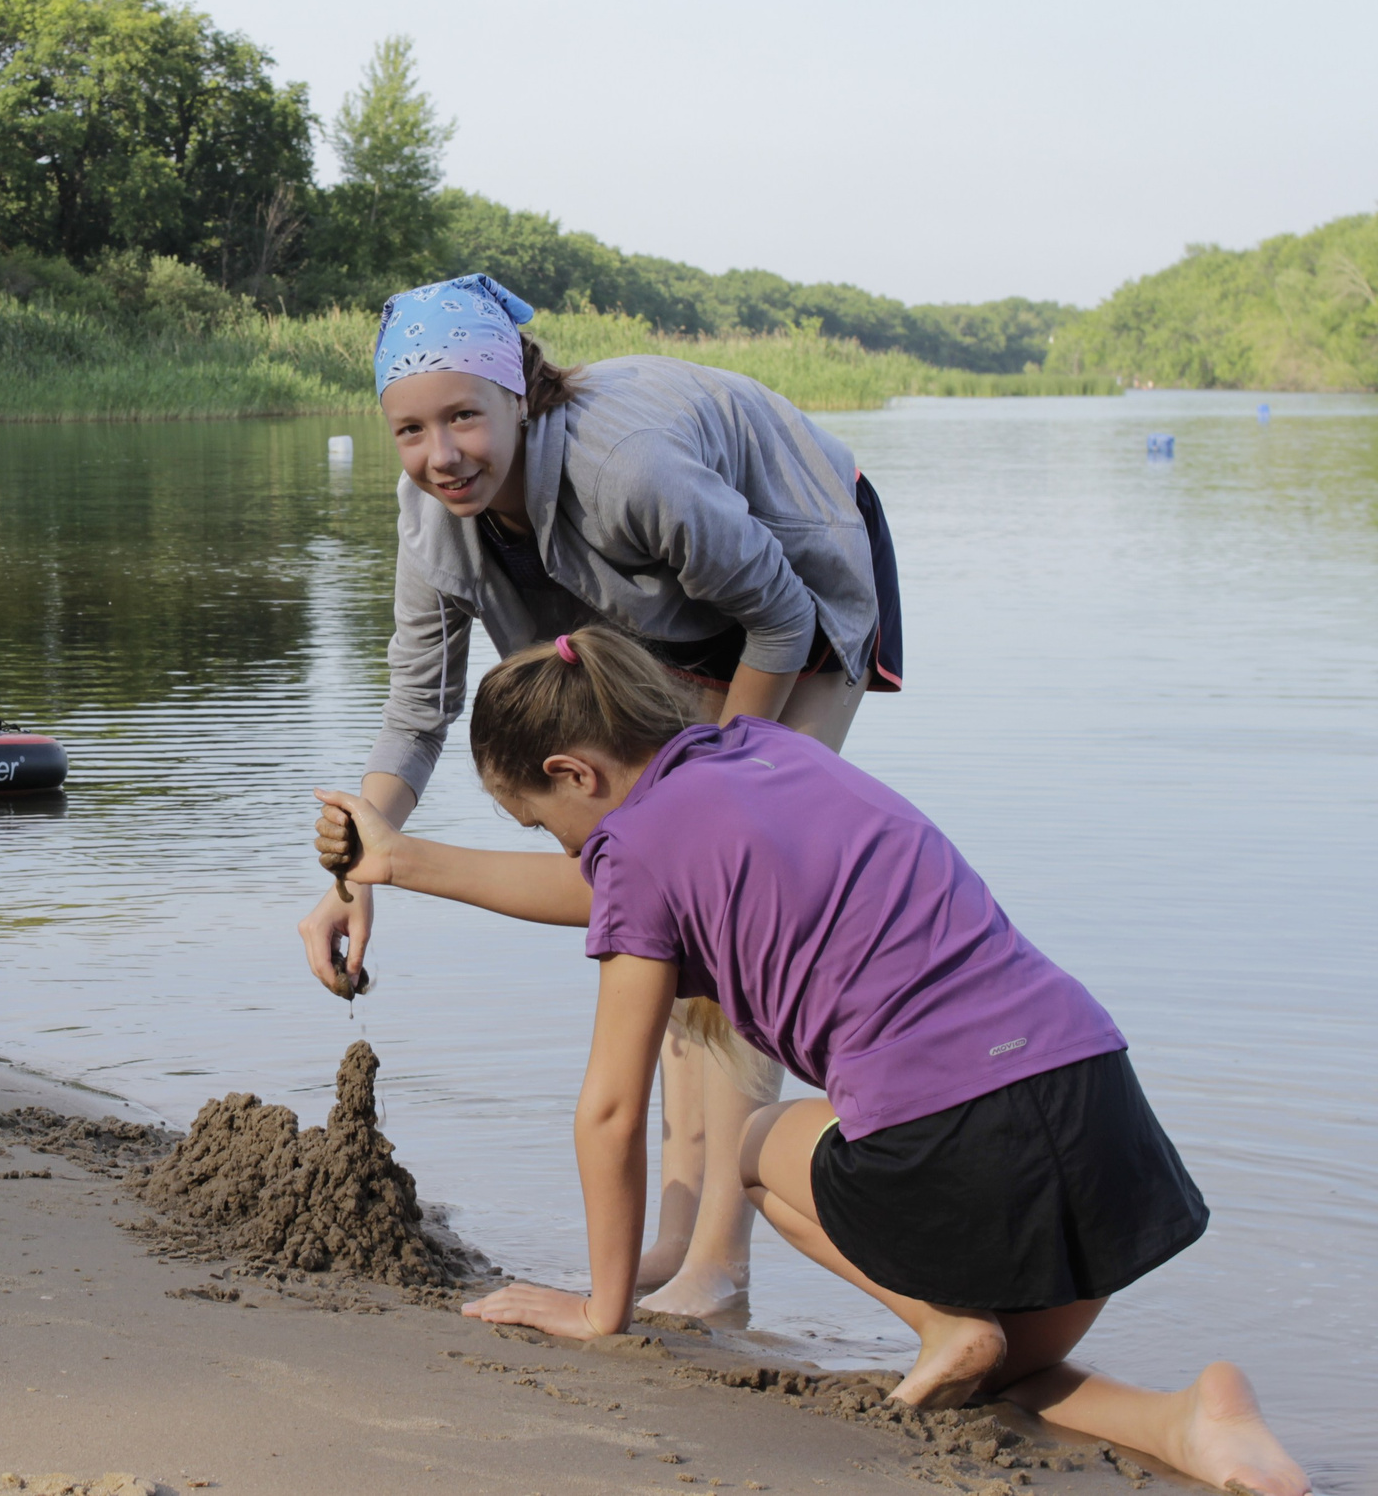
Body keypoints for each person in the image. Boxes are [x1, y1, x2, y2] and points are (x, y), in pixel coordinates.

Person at [308, 627, 1307, 1496]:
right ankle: (1193, 1422)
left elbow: (609, 1109)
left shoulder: (637, 848)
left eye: (543, 823)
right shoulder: (766, 754)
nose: (568, 849)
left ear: (576, 774)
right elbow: (617, 890)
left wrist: (598, 1310)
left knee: (749, 1145)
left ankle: (942, 1323)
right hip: (1097, 1110)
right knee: (1004, 1382)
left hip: (958, 1134)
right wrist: (398, 861)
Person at [299, 272, 903, 1319]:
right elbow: (416, 710)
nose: (440, 456)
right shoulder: (433, 518)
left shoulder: (629, 473)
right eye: (409, 431)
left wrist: (717, 789)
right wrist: (359, 865)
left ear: (518, 396)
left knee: (730, 910)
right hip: (654, 625)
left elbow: (779, 616)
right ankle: (670, 1238)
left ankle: (719, 1266)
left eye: (462, 420)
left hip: (792, 590)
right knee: (656, 921)